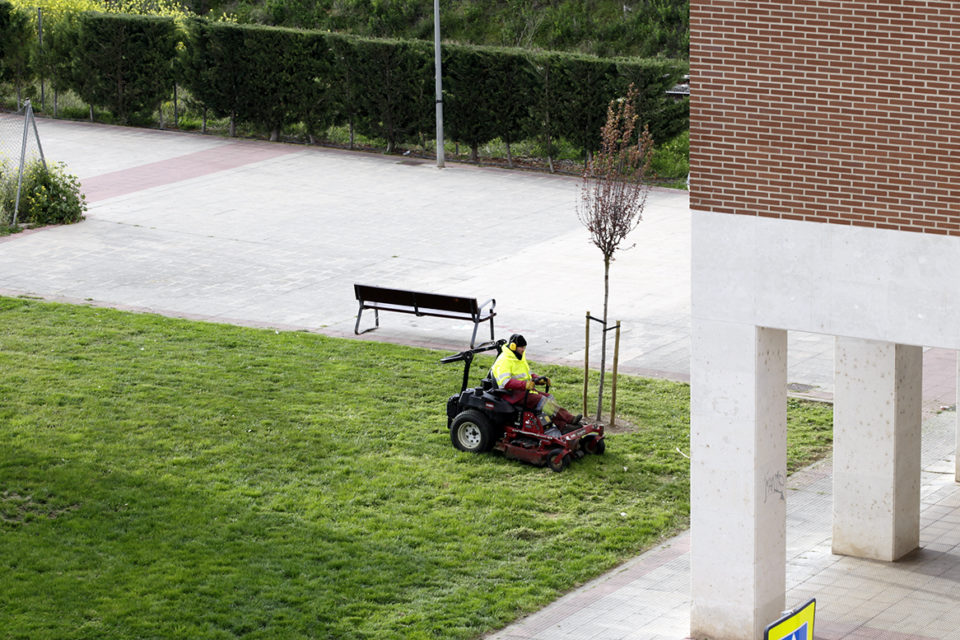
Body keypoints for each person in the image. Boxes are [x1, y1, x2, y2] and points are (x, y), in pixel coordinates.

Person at [490, 334, 582, 429]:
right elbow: (505, 382)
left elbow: (527, 374)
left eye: (524, 347)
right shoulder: (505, 360)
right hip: (512, 394)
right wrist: (525, 384)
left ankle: (563, 425)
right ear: (513, 346)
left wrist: (539, 379)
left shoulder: (518, 357)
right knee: (543, 402)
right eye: (521, 347)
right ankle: (569, 419)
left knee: (549, 397)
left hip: (523, 391)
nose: (523, 350)